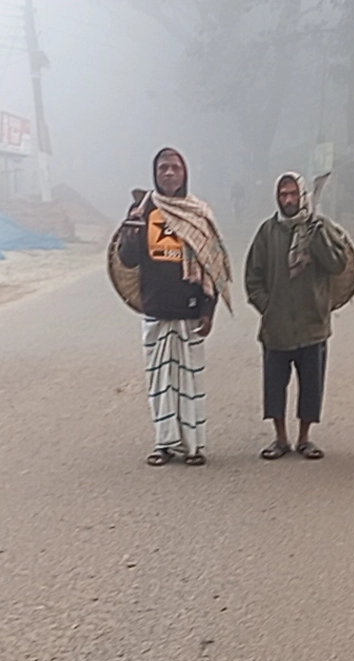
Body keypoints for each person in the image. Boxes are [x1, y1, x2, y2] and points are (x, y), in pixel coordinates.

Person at [118, 147, 233, 467]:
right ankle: (164, 444)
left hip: (190, 310)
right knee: (159, 382)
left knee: (189, 382)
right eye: (162, 168)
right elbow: (128, 259)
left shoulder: (198, 213)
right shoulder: (143, 209)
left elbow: (211, 264)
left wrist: (208, 310)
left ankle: (193, 447)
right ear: (154, 173)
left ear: (185, 173)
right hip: (155, 309)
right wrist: (132, 229)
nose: (168, 173)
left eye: (175, 167)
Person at [245, 172, 351, 461]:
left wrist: (317, 235)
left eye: (293, 194)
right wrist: (268, 306)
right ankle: (280, 438)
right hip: (276, 327)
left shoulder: (320, 227)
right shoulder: (268, 232)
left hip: (313, 324)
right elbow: (253, 276)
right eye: (283, 195)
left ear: (303, 195)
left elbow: (337, 264)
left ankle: (305, 438)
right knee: (275, 385)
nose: (288, 200)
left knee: (311, 386)